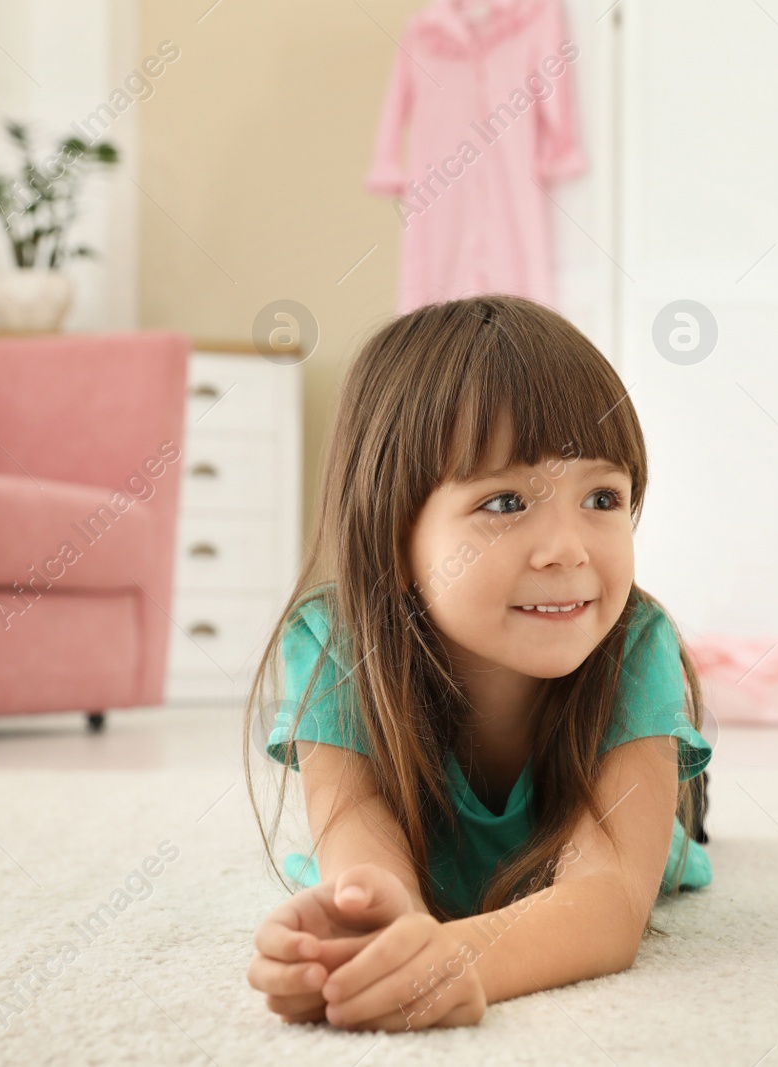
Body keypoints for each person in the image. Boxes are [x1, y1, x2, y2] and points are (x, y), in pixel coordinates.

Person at [243, 293, 712, 1031]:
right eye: (504, 502)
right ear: (394, 534)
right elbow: (363, 861)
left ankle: (685, 794)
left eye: (601, 495)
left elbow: (612, 899)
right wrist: (354, 947)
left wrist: (454, 959)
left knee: (664, 840)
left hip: (611, 824)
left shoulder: (634, 642)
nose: (567, 547)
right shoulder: (337, 645)